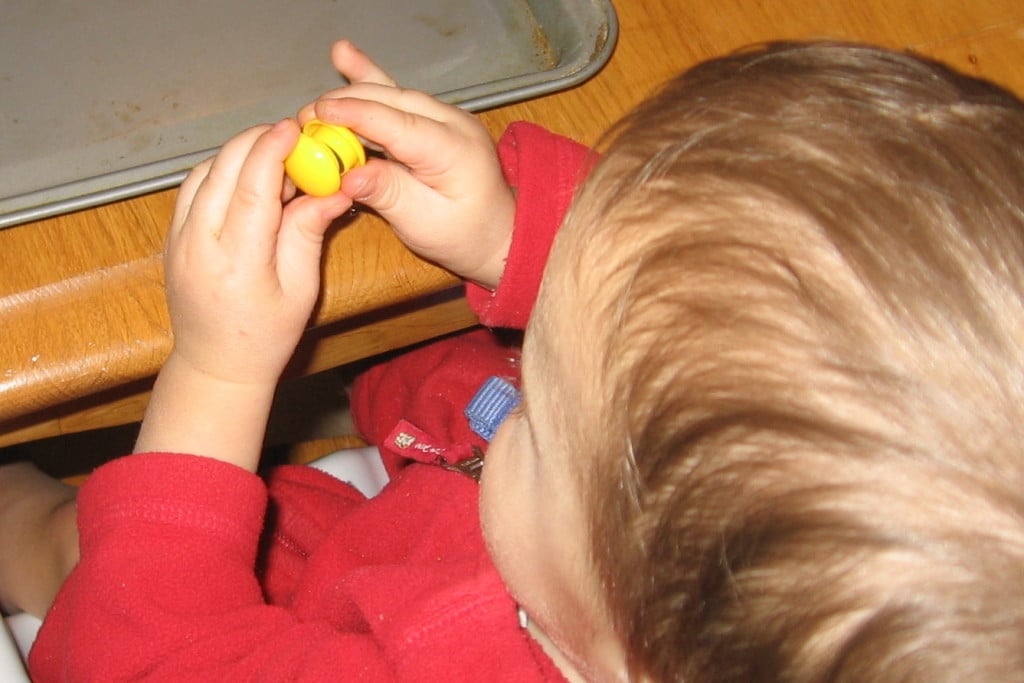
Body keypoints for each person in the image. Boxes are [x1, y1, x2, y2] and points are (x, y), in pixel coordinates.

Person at [3, 38, 1024, 681]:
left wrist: (219, 373)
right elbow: (722, 309)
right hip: (439, 500)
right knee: (444, 382)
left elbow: (138, 650)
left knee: (82, 543)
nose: (526, 371)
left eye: (540, 401)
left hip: (313, 601)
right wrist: (511, 233)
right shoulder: (636, 583)